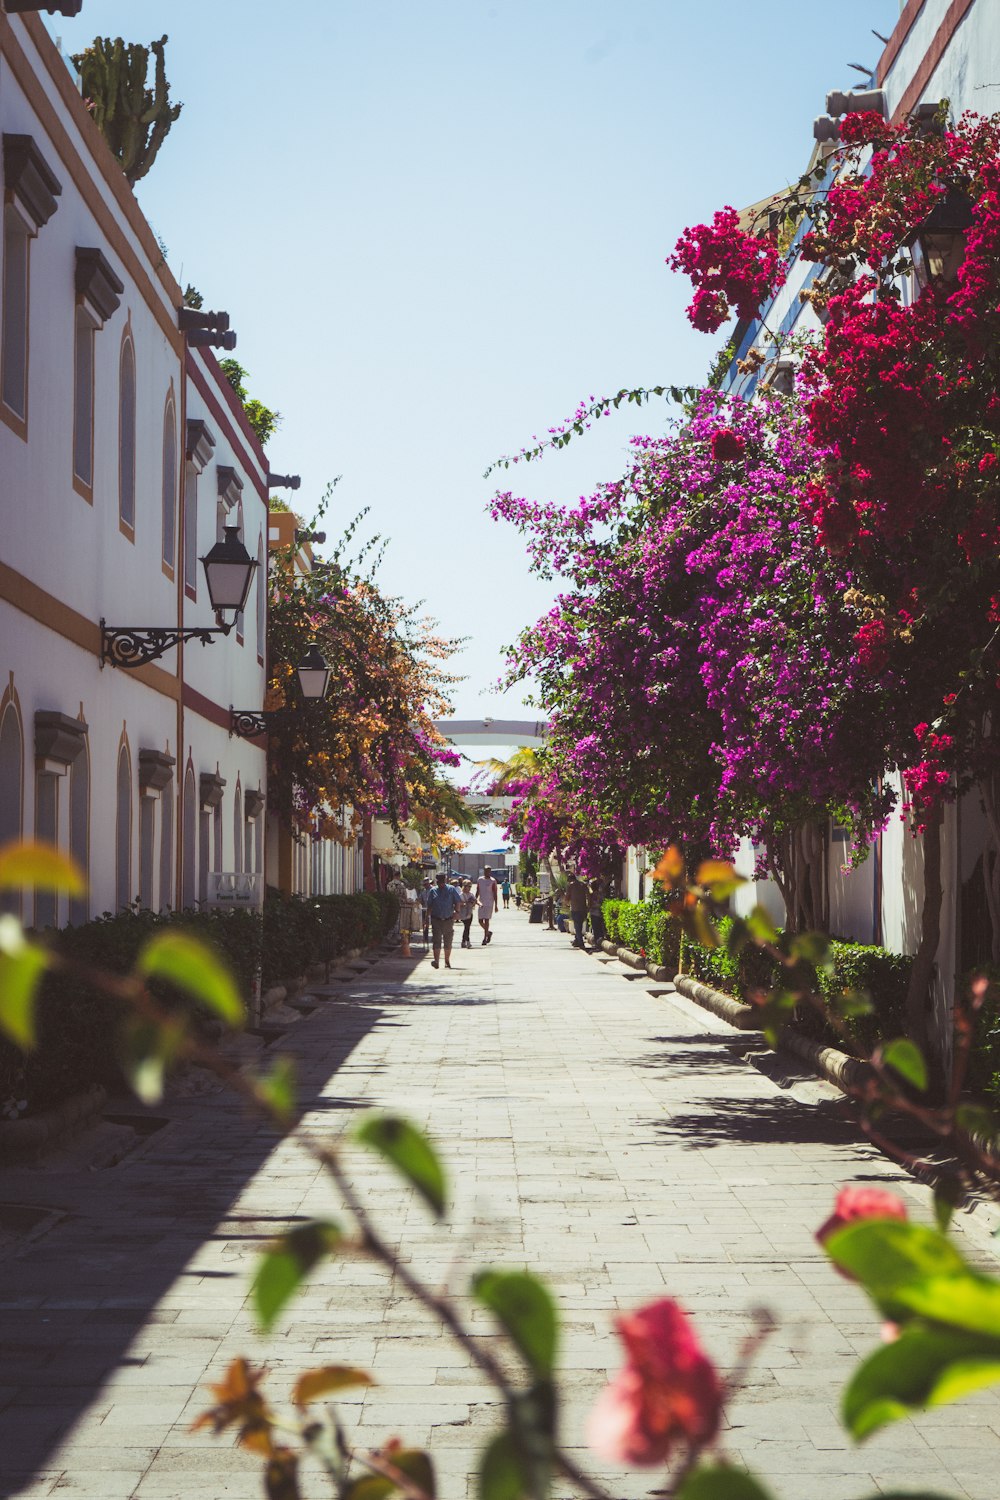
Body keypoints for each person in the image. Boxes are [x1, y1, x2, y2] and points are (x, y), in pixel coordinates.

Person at [427, 873, 462, 968]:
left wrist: (457, 912)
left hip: (448, 919)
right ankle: (436, 961)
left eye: (442, 882)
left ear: (445, 880)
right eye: (438, 882)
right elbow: (429, 906)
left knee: (448, 941)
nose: (440, 884)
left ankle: (447, 961)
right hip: (436, 919)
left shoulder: (451, 889)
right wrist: (426, 919)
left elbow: (458, 901)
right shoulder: (433, 891)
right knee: (436, 940)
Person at [476, 865, 499, 945]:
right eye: (486, 871)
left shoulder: (493, 881)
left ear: (490, 872)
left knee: (486, 920)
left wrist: (496, 905)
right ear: (484, 871)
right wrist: (475, 901)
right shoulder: (480, 880)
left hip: (489, 903)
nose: (487, 872)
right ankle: (488, 932)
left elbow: (495, 893)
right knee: (480, 920)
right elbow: (478, 891)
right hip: (481, 902)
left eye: (489, 871)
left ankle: (485, 938)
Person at [566, 873, 589, 948]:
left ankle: (580, 943)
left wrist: (567, 903)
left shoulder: (571, 886)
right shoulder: (583, 884)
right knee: (580, 925)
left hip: (575, 909)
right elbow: (588, 894)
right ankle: (576, 940)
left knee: (577, 926)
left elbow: (567, 897)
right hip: (583, 908)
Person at [457, 879, 477, 948]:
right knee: (467, 927)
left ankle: (464, 941)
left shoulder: (471, 894)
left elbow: (475, 901)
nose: (468, 887)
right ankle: (467, 942)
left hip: (470, 913)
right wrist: (464, 903)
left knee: (467, 927)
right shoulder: (461, 894)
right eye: (466, 886)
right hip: (463, 913)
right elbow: (458, 903)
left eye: (469, 886)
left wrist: (473, 903)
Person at [419, 877, 432, 943]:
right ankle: (425, 937)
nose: (425, 885)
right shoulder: (423, 891)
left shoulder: (433, 890)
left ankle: (435, 937)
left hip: (432, 909)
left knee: (433, 923)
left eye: (426, 884)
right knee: (425, 924)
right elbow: (420, 899)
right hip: (424, 909)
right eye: (424, 884)